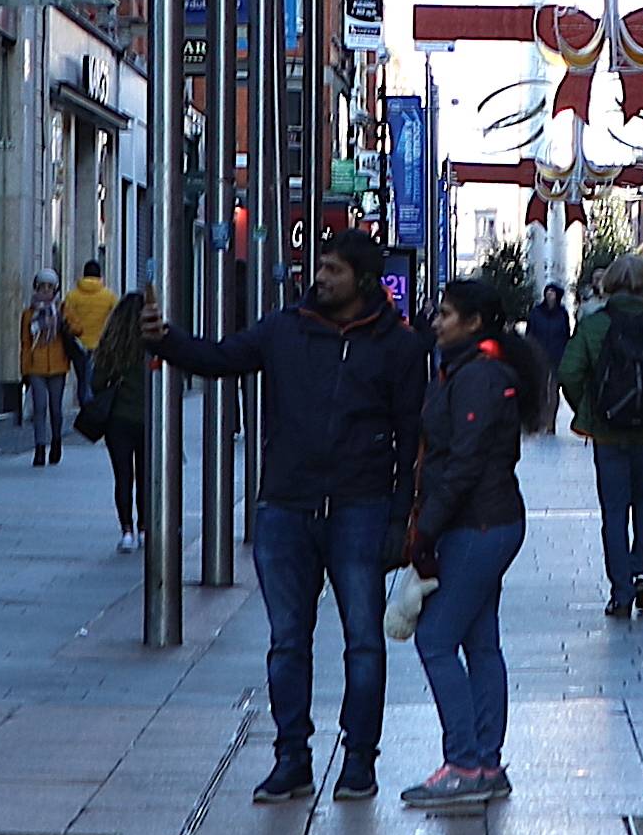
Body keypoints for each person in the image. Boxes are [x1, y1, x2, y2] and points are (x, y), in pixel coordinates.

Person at [133, 226, 426, 805]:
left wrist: (401, 517)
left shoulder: (397, 346)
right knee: (288, 640)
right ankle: (292, 755)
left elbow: (409, 433)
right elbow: (220, 358)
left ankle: (359, 759)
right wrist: (164, 340)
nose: (320, 277)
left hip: (359, 507)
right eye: (319, 266)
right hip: (286, 505)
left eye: (333, 269)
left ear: (363, 280)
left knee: (363, 639)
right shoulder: (286, 329)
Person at [401, 277, 542, 810]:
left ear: (474, 322)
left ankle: (464, 761)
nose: (436, 322)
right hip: (488, 520)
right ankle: (484, 760)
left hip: (477, 524)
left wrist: (426, 530)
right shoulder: (470, 369)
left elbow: (462, 462)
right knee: (479, 643)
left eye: (446, 314)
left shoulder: (478, 376)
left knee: (435, 639)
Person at [558, 255, 643, 619]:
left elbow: (568, 372)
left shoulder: (595, 326)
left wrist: (589, 409)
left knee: (614, 511)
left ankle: (621, 590)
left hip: (609, 432)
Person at [81, 262, 155, 551]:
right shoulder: (154, 345)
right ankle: (146, 525)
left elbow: (97, 382)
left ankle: (126, 531)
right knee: (146, 476)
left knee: (123, 476)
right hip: (148, 419)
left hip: (118, 421)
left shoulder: (112, 346)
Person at [18, 272, 77, 468]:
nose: (45, 290)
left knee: (55, 409)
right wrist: (25, 370)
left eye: (49, 286)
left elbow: (78, 329)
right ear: (36, 288)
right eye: (42, 286)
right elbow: (25, 344)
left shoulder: (61, 310)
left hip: (58, 366)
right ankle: (40, 448)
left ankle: (57, 441)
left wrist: (66, 320)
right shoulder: (28, 314)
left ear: (55, 289)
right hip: (37, 367)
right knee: (39, 408)